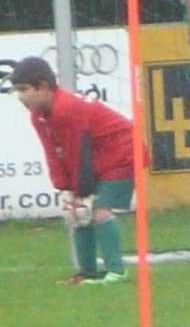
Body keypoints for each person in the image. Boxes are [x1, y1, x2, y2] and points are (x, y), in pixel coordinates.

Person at [12, 56, 136, 285]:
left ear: (43, 86)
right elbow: (53, 152)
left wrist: (80, 190)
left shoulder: (66, 109)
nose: (20, 96)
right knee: (77, 212)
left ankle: (116, 272)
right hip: (97, 158)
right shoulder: (38, 116)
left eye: (24, 89)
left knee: (98, 210)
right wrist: (65, 188)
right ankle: (86, 273)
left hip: (123, 152)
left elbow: (77, 152)